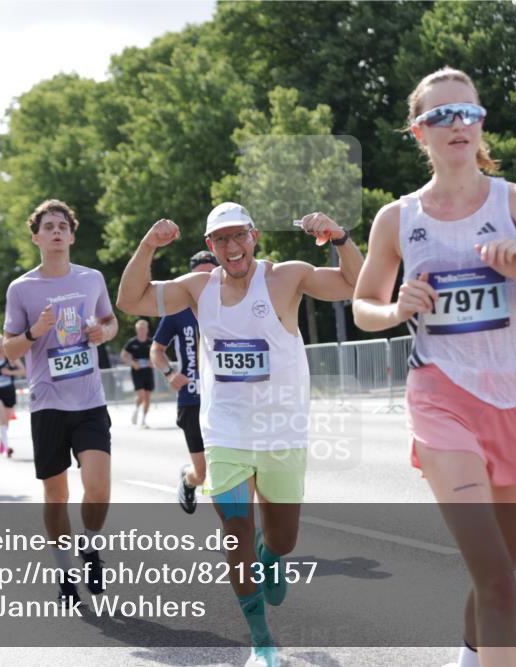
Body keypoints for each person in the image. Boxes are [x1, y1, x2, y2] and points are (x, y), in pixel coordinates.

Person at [351, 68, 516, 667]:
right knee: (498, 581)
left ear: (481, 123)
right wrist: (395, 306)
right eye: (440, 116)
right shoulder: (397, 218)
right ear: (419, 132)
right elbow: (362, 308)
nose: (456, 124)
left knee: (496, 577)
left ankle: (469, 655)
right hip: (442, 401)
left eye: (468, 113)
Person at [117, 201, 363, 667]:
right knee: (235, 531)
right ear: (210, 246)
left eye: (239, 236)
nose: (232, 247)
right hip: (225, 431)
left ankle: (272, 556)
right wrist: (148, 244)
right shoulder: (198, 288)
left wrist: (341, 237)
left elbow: (358, 284)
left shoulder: (286, 276)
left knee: (282, 538)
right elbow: (131, 300)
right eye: (221, 239)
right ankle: (261, 641)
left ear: (254, 236)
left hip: (281, 431)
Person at [2, 199, 118, 608]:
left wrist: (103, 334)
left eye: (62, 226)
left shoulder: (91, 278)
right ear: (36, 236)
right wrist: (35, 331)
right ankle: (64, 571)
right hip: (48, 404)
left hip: (89, 400)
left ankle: (89, 548)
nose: (55, 231)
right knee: (56, 497)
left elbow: (109, 320)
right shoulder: (22, 288)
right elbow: (11, 349)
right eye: (48, 226)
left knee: (99, 488)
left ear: (71, 235)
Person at [150, 250, 218, 513]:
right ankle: (188, 480)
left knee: (223, 468)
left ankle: (233, 529)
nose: (205, 282)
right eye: (199, 276)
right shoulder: (178, 310)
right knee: (202, 474)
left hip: (224, 397)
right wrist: (169, 373)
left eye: (209, 275)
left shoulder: (232, 303)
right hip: (192, 398)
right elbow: (156, 350)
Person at [122, 319, 154, 428]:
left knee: (148, 398)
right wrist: (132, 363)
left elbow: (158, 354)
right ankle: (136, 410)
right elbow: (123, 355)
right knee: (141, 396)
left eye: (144, 329)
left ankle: (143, 420)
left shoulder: (151, 342)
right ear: (136, 330)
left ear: (147, 330)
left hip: (148, 372)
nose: (142, 331)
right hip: (137, 372)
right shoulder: (132, 342)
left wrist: (152, 361)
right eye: (140, 329)